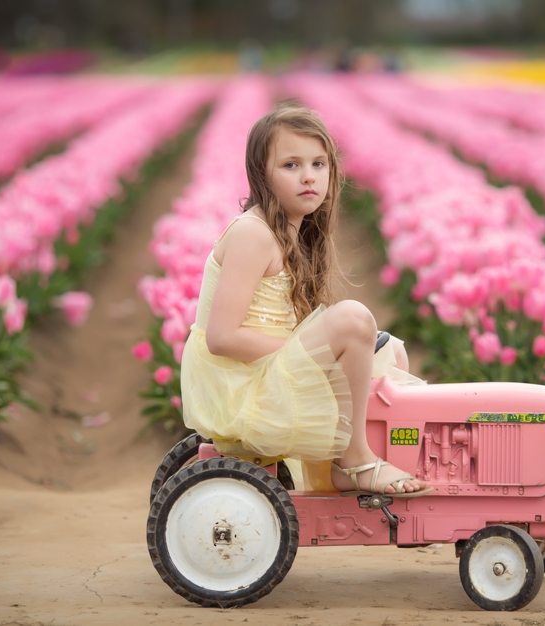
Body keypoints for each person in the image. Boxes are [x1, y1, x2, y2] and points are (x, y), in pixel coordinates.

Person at [180, 104, 431, 498]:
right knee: (353, 320)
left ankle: (362, 473)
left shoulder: (297, 233)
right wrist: (310, 356)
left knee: (392, 355)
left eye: (318, 164)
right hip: (240, 386)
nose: (309, 177)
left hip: (265, 370)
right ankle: (355, 461)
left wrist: (315, 356)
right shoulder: (254, 234)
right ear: (261, 174)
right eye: (291, 165)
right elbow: (221, 338)